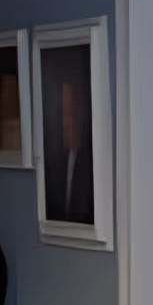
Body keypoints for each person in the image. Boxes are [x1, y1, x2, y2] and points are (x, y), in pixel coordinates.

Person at [43, 64, 93, 225]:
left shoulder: (94, 163)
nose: (65, 123)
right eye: (63, 114)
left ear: (83, 115)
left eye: (70, 113)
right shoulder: (54, 162)